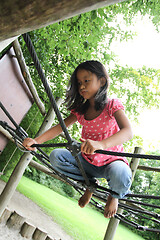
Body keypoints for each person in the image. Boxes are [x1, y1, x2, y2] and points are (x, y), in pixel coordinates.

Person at [23, 60, 133, 218]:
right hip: (87, 161)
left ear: (102, 81)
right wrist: (37, 141)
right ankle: (90, 184)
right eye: (79, 83)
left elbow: (128, 132)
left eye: (86, 81)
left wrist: (100, 144)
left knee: (121, 173)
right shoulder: (81, 111)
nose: (81, 86)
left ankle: (114, 195)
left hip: (111, 162)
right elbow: (60, 127)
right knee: (56, 156)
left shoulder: (112, 105)